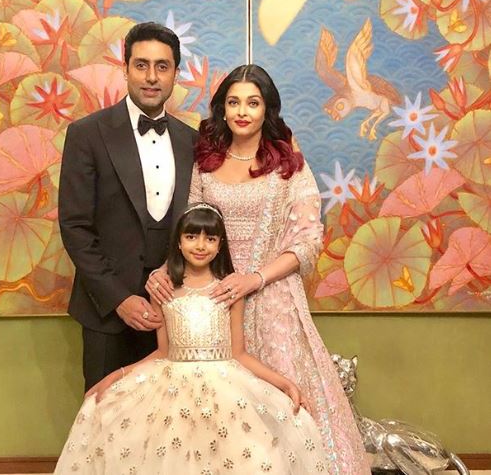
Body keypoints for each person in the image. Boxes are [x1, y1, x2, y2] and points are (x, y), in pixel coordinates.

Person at [147, 65, 370, 474]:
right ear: (222, 109)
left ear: (267, 109)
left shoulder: (288, 164)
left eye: (253, 102)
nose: (242, 112)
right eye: (233, 102)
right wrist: (164, 270)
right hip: (214, 299)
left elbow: (308, 240)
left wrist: (255, 278)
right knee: (216, 414)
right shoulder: (206, 163)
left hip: (273, 299)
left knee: (283, 409)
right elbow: (192, 227)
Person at [54, 203, 331, 474]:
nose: (200, 246)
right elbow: (162, 352)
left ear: (220, 245)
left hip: (225, 388)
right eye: (191, 237)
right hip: (172, 388)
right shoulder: (164, 290)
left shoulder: (229, 290)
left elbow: (239, 354)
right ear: (178, 242)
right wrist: (118, 375)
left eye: (210, 239)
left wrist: (284, 383)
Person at [58, 22, 197, 391]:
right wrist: (119, 299)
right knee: (105, 415)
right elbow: (74, 226)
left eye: (162, 66)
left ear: (175, 74)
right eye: (141, 65)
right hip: (106, 312)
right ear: (125, 69)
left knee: (170, 415)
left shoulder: (192, 142)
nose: (151, 77)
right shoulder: (87, 134)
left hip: (176, 309)